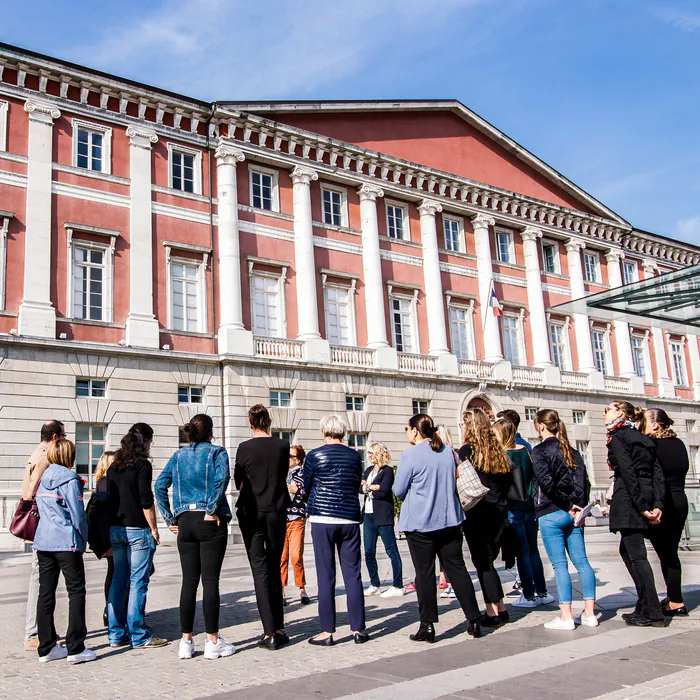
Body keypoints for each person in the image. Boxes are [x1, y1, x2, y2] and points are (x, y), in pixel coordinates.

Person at [394, 413, 482, 642]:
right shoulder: (448, 451)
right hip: (450, 519)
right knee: (457, 569)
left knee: (424, 574)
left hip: (420, 523)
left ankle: (428, 625)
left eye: (407, 429)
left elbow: (399, 490)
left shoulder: (410, 454)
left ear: (414, 430)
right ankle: (474, 619)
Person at [155, 414, 234, 660]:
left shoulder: (179, 455)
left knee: (189, 582)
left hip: (185, 521)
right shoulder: (217, 452)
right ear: (210, 431)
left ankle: (186, 641)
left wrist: (170, 518)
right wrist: (211, 508)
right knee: (210, 582)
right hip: (209, 521)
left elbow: (159, 485)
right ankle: (212, 641)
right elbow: (222, 480)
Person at [304, 414, 368, 646]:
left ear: (324, 432)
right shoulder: (354, 456)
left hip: (322, 518)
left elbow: (307, 485)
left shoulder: (314, 455)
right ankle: (358, 629)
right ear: (343, 432)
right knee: (353, 574)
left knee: (325, 575)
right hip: (349, 518)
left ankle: (327, 631)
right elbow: (355, 484)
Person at [532, 409, 597, 631]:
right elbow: (584, 482)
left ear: (541, 426)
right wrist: (577, 506)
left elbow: (545, 483)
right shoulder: (572, 451)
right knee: (582, 562)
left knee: (560, 565)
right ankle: (589, 613)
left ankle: (566, 615)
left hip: (552, 512)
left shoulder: (539, 450)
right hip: (574, 513)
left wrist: (567, 506)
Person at [33, 438, 95, 664]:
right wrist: (84, 539)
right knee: (76, 592)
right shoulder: (70, 479)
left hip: (43, 541)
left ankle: (46, 647)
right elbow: (77, 514)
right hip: (66, 542)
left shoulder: (43, 478)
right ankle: (75, 647)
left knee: (45, 594)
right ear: (69, 456)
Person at [235, 405, 290, 650]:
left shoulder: (244, 448)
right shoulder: (282, 445)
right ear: (268, 421)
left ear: (250, 423)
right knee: (274, 566)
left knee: (260, 571)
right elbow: (282, 476)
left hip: (251, 512)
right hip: (276, 511)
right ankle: (279, 627)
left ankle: (269, 633)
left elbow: (238, 481)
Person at [107, 423, 167, 649]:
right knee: (138, 582)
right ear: (146, 441)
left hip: (116, 528)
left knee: (118, 580)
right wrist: (154, 527)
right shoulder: (143, 465)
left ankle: (115, 634)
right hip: (137, 529)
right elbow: (145, 499)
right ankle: (138, 634)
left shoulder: (114, 466)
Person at [605, 401, 665, 627]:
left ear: (619, 413)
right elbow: (657, 473)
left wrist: (640, 506)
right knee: (629, 552)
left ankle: (652, 611)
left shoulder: (619, 436)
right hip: (646, 495)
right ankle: (644, 604)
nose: (605, 414)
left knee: (637, 556)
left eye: (608, 410)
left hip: (630, 498)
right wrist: (657, 504)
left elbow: (627, 472)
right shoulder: (644, 437)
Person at [492, 419, 554, 609]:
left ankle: (528, 594)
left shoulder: (503, 455)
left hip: (513, 508)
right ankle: (542, 591)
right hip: (530, 506)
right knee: (533, 549)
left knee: (522, 553)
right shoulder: (527, 451)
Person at [459, 409, 512, 627]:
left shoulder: (466, 451)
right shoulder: (497, 450)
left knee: (483, 563)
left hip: (477, 512)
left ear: (469, 426)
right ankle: (501, 607)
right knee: (489, 560)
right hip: (499, 511)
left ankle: (492, 612)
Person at [21, 419, 65, 651]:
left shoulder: (35, 451)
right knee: (40, 582)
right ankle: (34, 632)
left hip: (39, 527)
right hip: (44, 527)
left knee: (41, 580)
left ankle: (41, 629)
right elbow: (32, 492)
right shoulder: (46, 456)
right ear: (56, 437)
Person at [644, 409, 689, 616]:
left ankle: (674, 601)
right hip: (680, 500)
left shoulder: (652, 445)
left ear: (655, 425)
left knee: (666, 554)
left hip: (662, 502)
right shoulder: (679, 444)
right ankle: (674, 597)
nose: (640, 426)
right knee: (670, 552)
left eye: (643, 421)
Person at [362, 442, 403, 598]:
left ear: (379, 454)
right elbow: (360, 487)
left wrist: (370, 487)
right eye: (368, 453)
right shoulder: (367, 470)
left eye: (372, 453)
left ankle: (398, 585)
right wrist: (373, 487)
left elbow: (384, 490)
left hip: (383, 515)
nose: (369, 456)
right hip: (368, 514)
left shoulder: (387, 471)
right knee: (368, 551)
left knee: (391, 550)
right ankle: (374, 583)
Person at [281, 444, 310, 606]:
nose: (288, 459)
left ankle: (301, 588)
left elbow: (308, 493)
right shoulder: (280, 473)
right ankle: (282, 591)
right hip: (281, 518)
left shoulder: (303, 474)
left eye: (290, 456)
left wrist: (297, 490)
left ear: (298, 460)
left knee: (296, 555)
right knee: (282, 557)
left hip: (296, 518)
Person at [89, 451, 116, 626]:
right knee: (114, 572)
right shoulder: (107, 483)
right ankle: (111, 610)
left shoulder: (101, 482)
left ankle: (110, 610)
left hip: (106, 533)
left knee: (112, 571)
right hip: (110, 533)